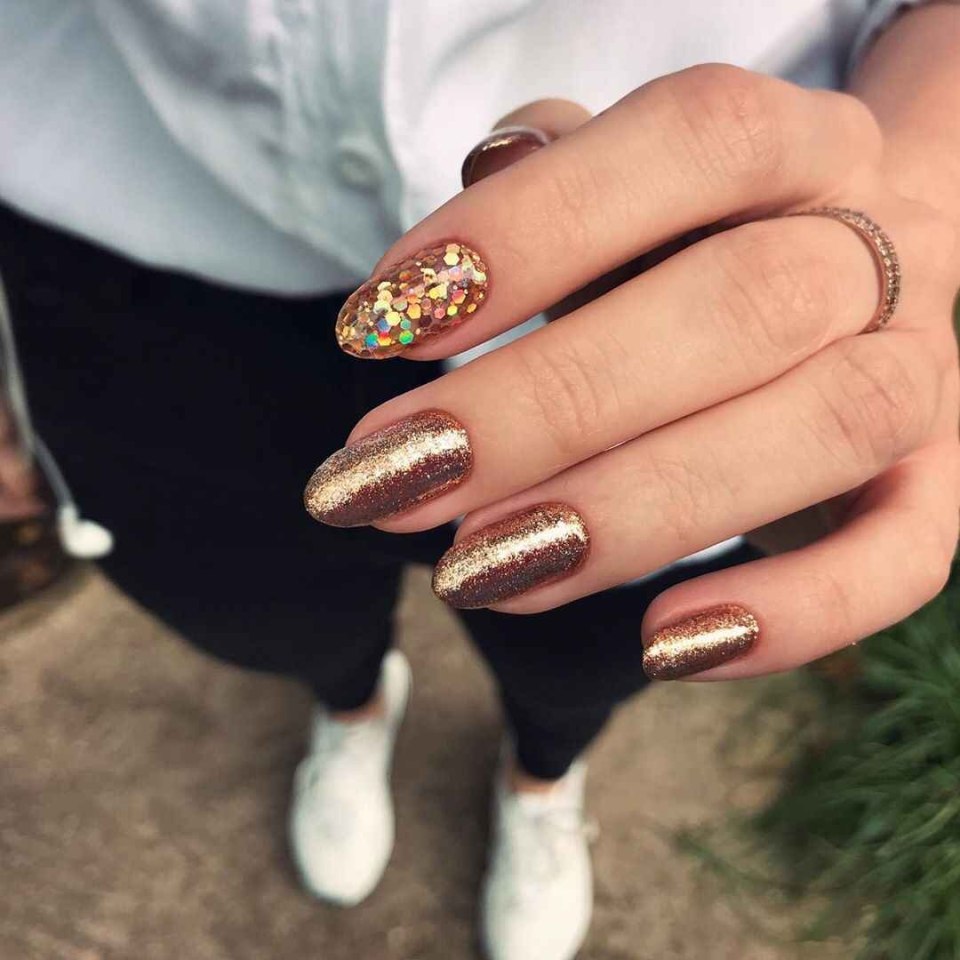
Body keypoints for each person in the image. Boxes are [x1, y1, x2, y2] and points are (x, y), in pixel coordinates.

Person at [1, 2, 958, 958]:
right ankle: (353, 705)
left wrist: (916, 187)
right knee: (264, 614)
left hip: (661, 279)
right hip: (133, 230)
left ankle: (540, 779)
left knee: (585, 649)